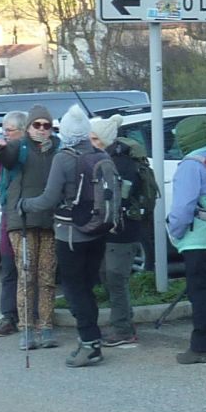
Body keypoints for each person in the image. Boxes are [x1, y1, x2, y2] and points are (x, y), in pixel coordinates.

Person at [17, 104, 112, 368]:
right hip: (98, 231)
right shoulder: (100, 154)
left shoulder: (64, 158)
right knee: (88, 287)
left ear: (66, 132)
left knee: (74, 289)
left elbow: (48, 199)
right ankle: (92, 341)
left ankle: (90, 343)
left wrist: (25, 205)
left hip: (71, 234)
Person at [0, 105, 61, 351]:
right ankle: (26, 329)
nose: (42, 130)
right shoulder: (19, 146)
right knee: (26, 274)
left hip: (50, 221)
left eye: (47, 125)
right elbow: (5, 157)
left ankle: (46, 327)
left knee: (47, 276)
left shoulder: (58, 149)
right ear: (29, 127)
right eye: (37, 125)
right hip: (21, 221)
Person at [168, 115, 206, 364]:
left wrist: (175, 232)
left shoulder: (190, 165)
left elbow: (183, 208)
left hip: (197, 239)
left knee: (199, 292)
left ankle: (202, 346)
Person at [93, 114, 141, 347]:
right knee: (108, 276)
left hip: (123, 231)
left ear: (103, 140)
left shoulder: (120, 162)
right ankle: (123, 322)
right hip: (111, 229)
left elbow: (121, 196)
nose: (90, 142)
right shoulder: (108, 158)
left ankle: (123, 329)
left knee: (115, 277)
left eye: (94, 138)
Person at [0, 111, 27, 337]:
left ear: (22, 131)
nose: (6, 135)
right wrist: (0, 183)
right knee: (9, 267)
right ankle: (8, 316)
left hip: (28, 217)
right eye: (4, 130)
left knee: (30, 269)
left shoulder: (28, 153)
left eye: (10, 130)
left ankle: (31, 314)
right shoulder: (1, 155)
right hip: (7, 216)